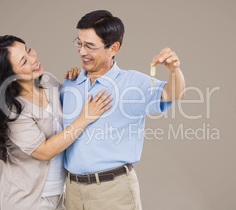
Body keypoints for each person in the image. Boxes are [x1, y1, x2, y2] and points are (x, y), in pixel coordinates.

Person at [0, 35, 112, 210]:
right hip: (30, 201)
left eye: (29, 50)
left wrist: (76, 79)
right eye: (24, 62)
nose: (33, 59)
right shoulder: (13, 109)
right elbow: (44, 151)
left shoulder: (48, 81)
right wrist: (85, 119)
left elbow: (74, 108)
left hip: (62, 194)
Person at [61, 10, 186, 210]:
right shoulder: (71, 83)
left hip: (112, 192)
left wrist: (174, 70)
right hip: (72, 192)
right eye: (79, 43)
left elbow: (174, 94)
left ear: (113, 48)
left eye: (90, 46)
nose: (82, 52)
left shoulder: (132, 83)